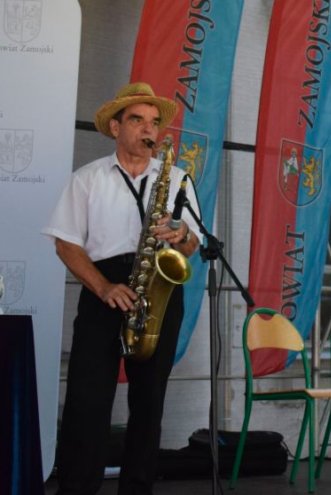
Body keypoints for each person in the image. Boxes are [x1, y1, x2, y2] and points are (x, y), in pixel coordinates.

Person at [42, 82, 201, 495]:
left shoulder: (177, 179)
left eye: (154, 122)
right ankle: (77, 488)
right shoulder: (87, 179)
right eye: (138, 120)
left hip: (159, 289)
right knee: (87, 399)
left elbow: (193, 246)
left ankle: (137, 488)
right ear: (115, 127)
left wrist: (182, 233)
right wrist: (103, 287)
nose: (149, 130)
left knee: (149, 403)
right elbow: (65, 244)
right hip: (105, 289)